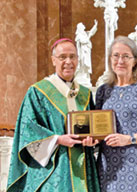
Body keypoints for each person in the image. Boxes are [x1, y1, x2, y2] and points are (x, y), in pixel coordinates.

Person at [7, 38, 100, 192]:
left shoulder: (85, 94)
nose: (68, 61)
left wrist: (93, 141)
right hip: (54, 169)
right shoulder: (38, 92)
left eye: (72, 56)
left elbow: (93, 129)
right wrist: (58, 139)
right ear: (53, 60)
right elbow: (27, 130)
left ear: (78, 60)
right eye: (63, 57)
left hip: (83, 166)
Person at [95, 35, 137, 192]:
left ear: (135, 61)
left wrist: (129, 139)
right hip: (107, 165)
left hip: (135, 162)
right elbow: (97, 127)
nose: (120, 61)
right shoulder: (103, 91)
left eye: (126, 56)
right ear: (110, 59)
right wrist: (92, 140)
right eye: (116, 56)